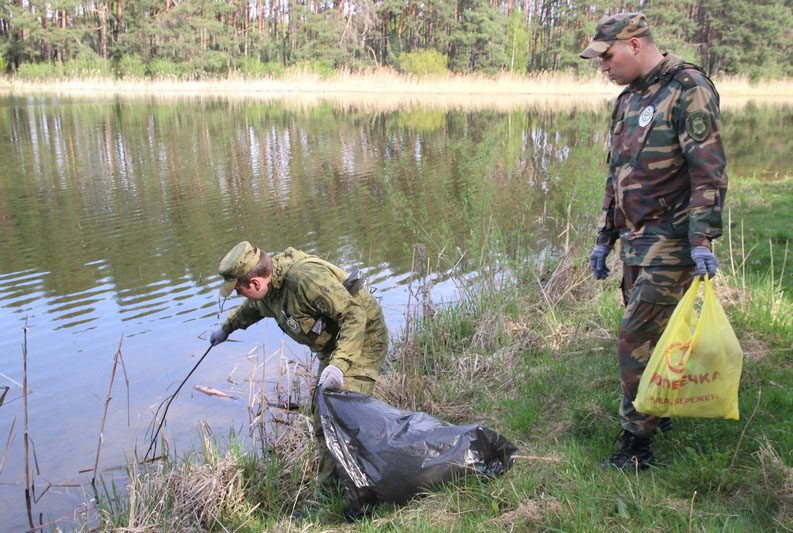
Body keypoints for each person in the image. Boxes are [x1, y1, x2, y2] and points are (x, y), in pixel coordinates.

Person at [580, 13, 728, 470]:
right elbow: (616, 177)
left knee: (635, 338)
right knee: (657, 336)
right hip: (635, 243)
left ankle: (635, 447)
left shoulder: (688, 88)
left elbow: (708, 172)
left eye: (607, 57)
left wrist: (701, 239)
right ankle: (657, 411)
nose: (603, 67)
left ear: (635, 45)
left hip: (672, 242)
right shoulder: (628, 99)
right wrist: (605, 238)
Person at [209, 241, 388, 490]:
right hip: (332, 347)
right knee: (323, 416)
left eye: (239, 290)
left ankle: (359, 492)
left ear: (255, 283)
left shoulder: (304, 280)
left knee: (341, 418)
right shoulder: (269, 288)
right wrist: (226, 329)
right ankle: (335, 491)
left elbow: (354, 315)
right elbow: (253, 308)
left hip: (362, 339)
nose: (239, 296)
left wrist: (339, 365)